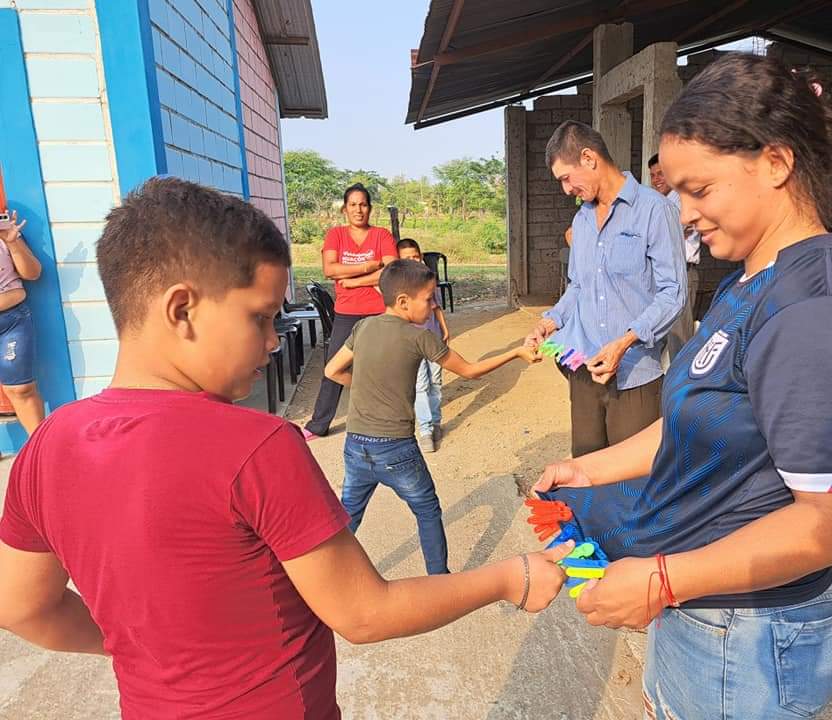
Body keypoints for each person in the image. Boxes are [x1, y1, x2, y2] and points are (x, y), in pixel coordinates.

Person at [0, 178, 571, 719]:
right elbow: (363, 613)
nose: (274, 341)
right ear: (181, 310)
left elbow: (21, 607)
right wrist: (509, 578)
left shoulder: (48, 444)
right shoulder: (255, 446)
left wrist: (141, 647)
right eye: (260, 318)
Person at [534, 54, 832, 719]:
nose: (681, 215)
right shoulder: (750, 281)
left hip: (748, 641)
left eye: (699, 190)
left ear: (775, 162)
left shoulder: (815, 314)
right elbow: (694, 421)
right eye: (677, 193)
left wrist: (661, 579)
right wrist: (586, 469)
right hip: (709, 615)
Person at [325, 259, 541, 575]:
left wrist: (366, 387)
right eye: (428, 299)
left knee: (349, 516)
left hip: (356, 445)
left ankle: (324, 576)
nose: (432, 305)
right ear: (403, 301)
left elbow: (332, 370)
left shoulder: (363, 327)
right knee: (427, 511)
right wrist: (516, 352)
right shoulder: (419, 337)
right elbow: (470, 371)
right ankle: (439, 580)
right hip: (396, 449)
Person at [525, 120, 686, 458]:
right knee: (586, 467)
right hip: (583, 367)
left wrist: (625, 342)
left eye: (566, 178)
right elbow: (578, 286)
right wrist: (551, 321)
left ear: (589, 158)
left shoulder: (655, 211)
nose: (565, 190)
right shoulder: (582, 220)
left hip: (634, 372)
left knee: (632, 474)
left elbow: (673, 292)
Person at [304, 183, 397, 437]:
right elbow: (330, 269)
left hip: (379, 312)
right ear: (345, 209)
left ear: (370, 208)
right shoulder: (336, 235)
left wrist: (354, 280)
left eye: (363, 204)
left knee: (383, 367)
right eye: (353, 205)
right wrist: (369, 267)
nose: (358, 209)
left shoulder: (381, 235)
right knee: (334, 367)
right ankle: (318, 425)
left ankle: (388, 419)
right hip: (346, 312)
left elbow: (391, 272)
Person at [396, 238, 449, 452]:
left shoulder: (429, 278)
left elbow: (436, 307)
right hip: (412, 342)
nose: (412, 261)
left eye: (415, 256)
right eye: (406, 258)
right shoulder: (397, 284)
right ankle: (425, 430)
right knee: (420, 385)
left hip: (433, 337)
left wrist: (444, 328)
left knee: (436, 381)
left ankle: (435, 422)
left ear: (421, 256)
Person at [649, 153, 702, 354]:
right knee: (660, 336)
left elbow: (663, 235)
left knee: (679, 339)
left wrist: (661, 232)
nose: (656, 179)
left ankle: (682, 374)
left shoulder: (681, 200)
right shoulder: (659, 203)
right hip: (662, 274)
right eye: (653, 175)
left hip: (682, 273)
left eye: (661, 174)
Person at [0, 211, 44, 434]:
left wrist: (12, 241)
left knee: (22, 389)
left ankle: (40, 449)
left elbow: (33, 273)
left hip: (11, 322)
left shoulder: (4, 232)